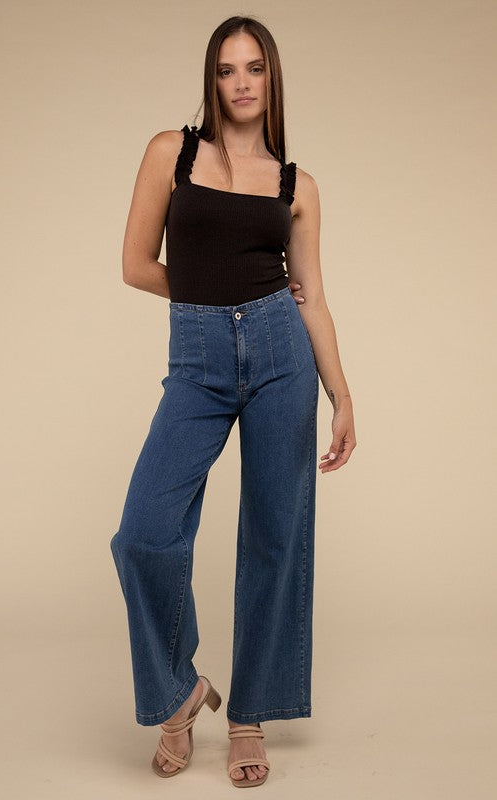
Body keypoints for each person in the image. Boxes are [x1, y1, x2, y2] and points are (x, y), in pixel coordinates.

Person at [110, 14, 356, 788]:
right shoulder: (171, 152)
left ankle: (247, 716)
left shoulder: (297, 185)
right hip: (198, 356)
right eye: (226, 70)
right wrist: (216, 304)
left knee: (276, 536)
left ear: (271, 78)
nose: (241, 83)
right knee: (144, 533)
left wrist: (341, 394)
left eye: (253, 68)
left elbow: (310, 296)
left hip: (283, 355)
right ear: (210, 79)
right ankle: (180, 697)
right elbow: (135, 264)